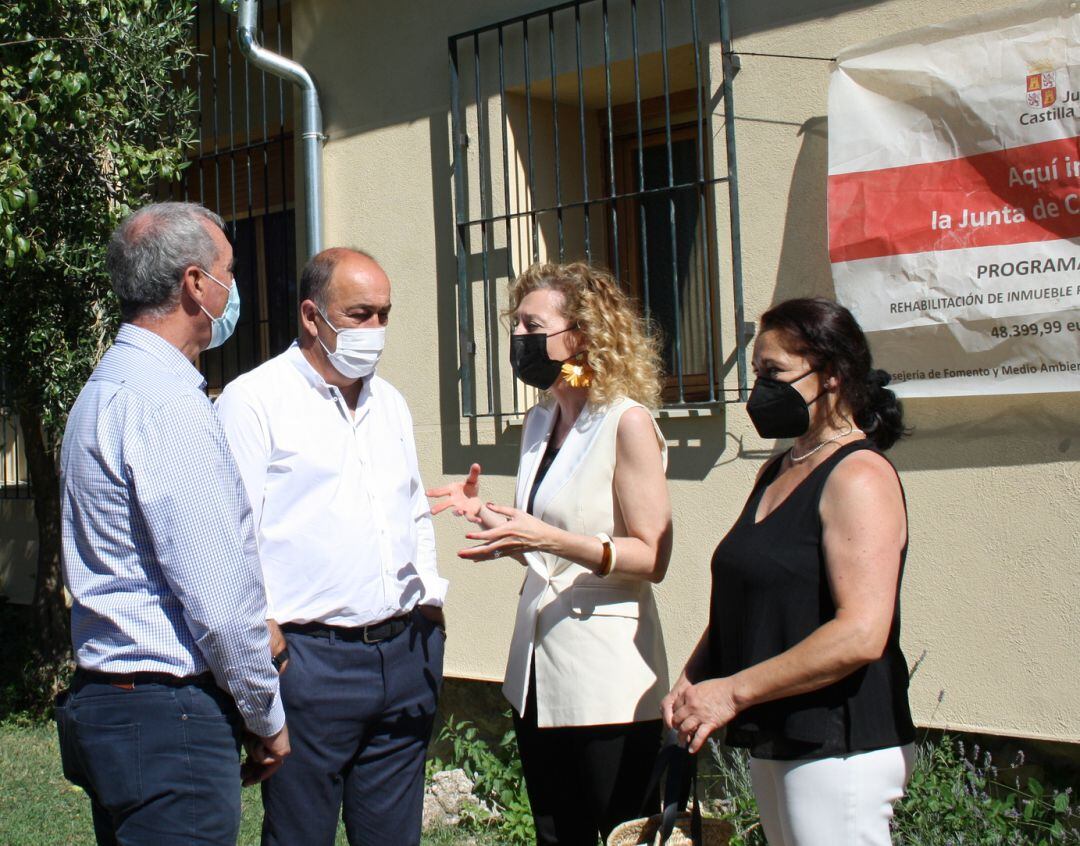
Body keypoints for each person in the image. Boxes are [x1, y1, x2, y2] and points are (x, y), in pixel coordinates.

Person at [56, 201, 290, 846]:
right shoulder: (163, 400)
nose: (232, 289)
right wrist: (265, 714)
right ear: (194, 283)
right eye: (229, 273)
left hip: (119, 708)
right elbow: (215, 599)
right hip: (167, 717)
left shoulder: (110, 385)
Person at [429, 262, 672, 845]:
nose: (519, 339)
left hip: (608, 679)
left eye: (532, 325)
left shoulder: (626, 422)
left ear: (581, 336)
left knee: (619, 833)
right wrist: (490, 518)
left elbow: (652, 557)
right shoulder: (540, 421)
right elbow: (545, 543)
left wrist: (546, 539)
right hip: (538, 670)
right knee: (556, 835)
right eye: (516, 325)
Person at [214, 247, 447, 846]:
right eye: (361, 314)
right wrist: (259, 641)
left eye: (385, 315)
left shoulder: (388, 402)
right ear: (312, 317)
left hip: (405, 655)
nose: (376, 330)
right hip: (310, 664)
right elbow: (231, 536)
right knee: (300, 835)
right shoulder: (254, 400)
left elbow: (412, 508)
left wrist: (430, 605)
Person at [663, 297, 915, 845]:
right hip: (780, 732)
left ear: (832, 375)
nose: (761, 390)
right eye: (756, 373)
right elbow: (751, 594)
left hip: (837, 744)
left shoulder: (860, 476)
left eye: (774, 372)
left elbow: (861, 634)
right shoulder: (783, 467)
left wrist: (732, 693)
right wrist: (695, 677)